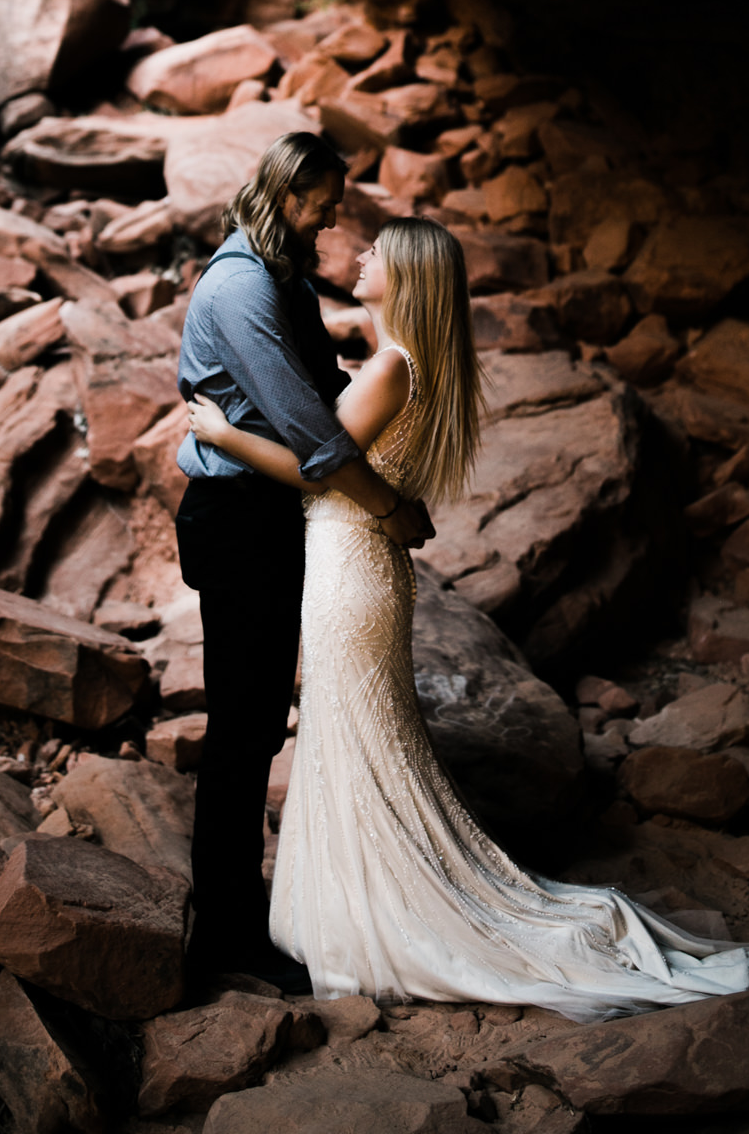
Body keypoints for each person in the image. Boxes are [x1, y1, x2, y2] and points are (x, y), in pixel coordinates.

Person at [187, 215, 749, 1018]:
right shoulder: (404, 360)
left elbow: (320, 472)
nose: (360, 255)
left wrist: (223, 435)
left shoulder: (389, 368)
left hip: (350, 572)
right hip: (361, 568)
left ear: (407, 277)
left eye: (377, 252)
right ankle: (352, 901)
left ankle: (383, 913)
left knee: (355, 739)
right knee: (356, 739)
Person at [175, 131, 432, 995]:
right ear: (287, 195)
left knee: (255, 722)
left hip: (268, 516)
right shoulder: (242, 285)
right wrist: (389, 507)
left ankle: (264, 914)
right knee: (243, 732)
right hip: (236, 519)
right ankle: (223, 935)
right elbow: (313, 435)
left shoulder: (277, 274)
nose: (331, 221)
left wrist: (368, 342)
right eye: (321, 205)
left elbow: (314, 377)